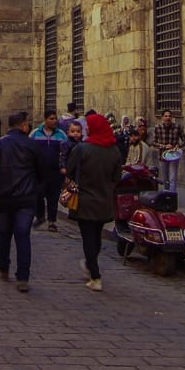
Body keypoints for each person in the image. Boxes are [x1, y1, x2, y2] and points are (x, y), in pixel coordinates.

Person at [0, 110, 51, 293]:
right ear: (23, 125)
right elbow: (42, 176)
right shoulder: (33, 146)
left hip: (2, 198)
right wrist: (39, 201)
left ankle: (3, 268)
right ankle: (23, 277)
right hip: (25, 199)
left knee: (4, 234)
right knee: (23, 236)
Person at [65, 112, 121, 292]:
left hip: (85, 200)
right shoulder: (114, 150)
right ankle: (91, 265)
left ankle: (95, 276)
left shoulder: (81, 149)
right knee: (96, 235)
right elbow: (116, 177)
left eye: (88, 126)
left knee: (88, 237)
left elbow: (70, 171)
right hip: (104, 200)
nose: (86, 128)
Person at [28, 110, 67, 232]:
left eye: (55, 118)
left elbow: (65, 153)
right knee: (38, 195)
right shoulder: (35, 134)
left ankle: (52, 221)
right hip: (39, 172)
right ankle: (40, 216)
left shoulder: (61, 135)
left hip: (55, 172)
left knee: (53, 197)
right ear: (45, 120)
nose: (54, 121)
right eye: (51, 118)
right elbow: (29, 151)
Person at [152, 109, 185, 192]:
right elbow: (153, 142)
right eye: (166, 116)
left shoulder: (177, 127)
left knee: (173, 176)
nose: (168, 118)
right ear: (162, 117)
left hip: (174, 155)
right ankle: (166, 193)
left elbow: (184, 141)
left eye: (170, 116)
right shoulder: (158, 128)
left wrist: (178, 146)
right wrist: (164, 146)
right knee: (165, 177)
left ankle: (172, 194)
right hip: (162, 155)